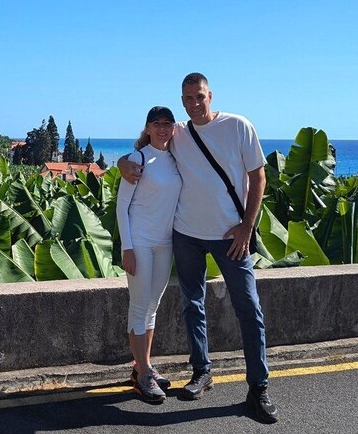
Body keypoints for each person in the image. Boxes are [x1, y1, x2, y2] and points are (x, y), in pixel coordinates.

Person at [118, 73, 279, 423]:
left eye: (199, 97)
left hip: (229, 236)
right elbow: (145, 147)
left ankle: (259, 387)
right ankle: (201, 371)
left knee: (248, 308)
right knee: (192, 304)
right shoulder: (177, 130)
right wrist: (121, 163)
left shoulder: (238, 126)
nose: (194, 104)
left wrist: (246, 228)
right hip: (186, 234)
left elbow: (259, 177)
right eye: (188, 98)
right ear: (182, 100)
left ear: (210, 95)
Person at [116, 106, 182, 403]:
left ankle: (145, 366)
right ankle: (142, 374)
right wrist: (127, 248)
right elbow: (122, 207)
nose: (163, 128)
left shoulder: (176, 157)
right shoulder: (137, 159)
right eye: (157, 124)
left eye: (167, 123)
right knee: (139, 306)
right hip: (140, 241)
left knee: (153, 306)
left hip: (164, 242)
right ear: (147, 127)